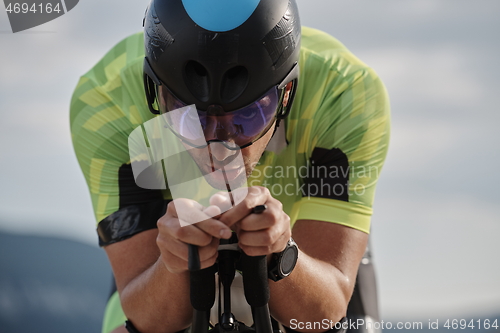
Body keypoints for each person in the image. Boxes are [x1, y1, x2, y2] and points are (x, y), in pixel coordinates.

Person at [70, 0, 390, 332]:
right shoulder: (104, 102)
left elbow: (320, 316)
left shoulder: (346, 94)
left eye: (246, 117)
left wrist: (280, 255)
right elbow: (148, 319)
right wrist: (173, 263)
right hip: (161, 248)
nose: (218, 147)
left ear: (287, 93)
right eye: (189, 118)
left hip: (306, 246)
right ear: (155, 91)